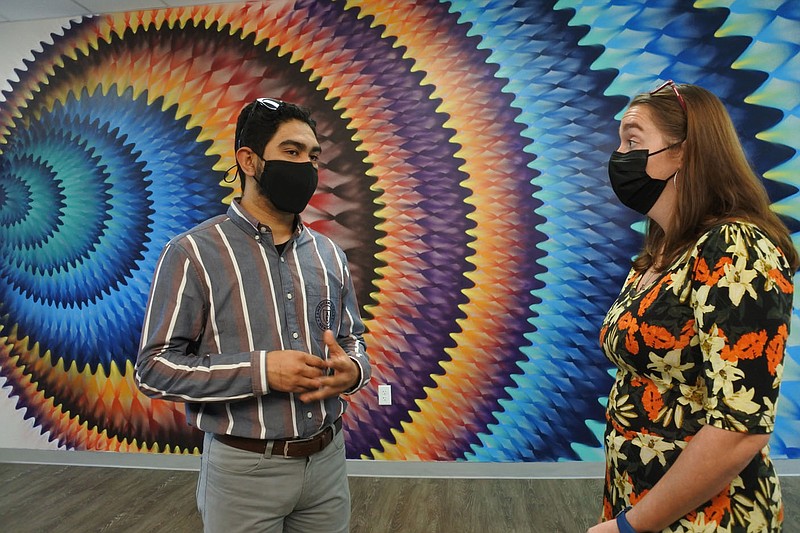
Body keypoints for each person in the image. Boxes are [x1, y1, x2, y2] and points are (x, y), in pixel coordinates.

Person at [136, 97, 371, 533]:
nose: (306, 166)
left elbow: (353, 336)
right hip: (243, 469)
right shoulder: (191, 253)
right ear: (249, 160)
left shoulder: (329, 255)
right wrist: (261, 370)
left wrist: (353, 370)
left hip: (328, 463)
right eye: (292, 152)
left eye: (313, 155)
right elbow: (153, 370)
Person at [589, 81, 797, 532]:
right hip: (642, 502)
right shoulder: (662, 252)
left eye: (632, 140)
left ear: (684, 153)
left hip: (708, 517)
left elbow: (740, 425)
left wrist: (631, 525)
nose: (618, 156)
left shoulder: (736, 248)